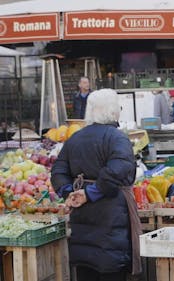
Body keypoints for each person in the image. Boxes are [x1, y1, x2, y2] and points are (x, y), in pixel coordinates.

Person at [51, 89, 141, 281]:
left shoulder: (75, 138)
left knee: (86, 270)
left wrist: (70, 193)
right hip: (111, 215)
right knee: (111, 271)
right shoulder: (117, 137)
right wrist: (89, 193)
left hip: (82, 214)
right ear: (113, 111)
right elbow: (120, 168)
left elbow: (58, 171)